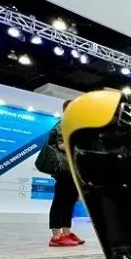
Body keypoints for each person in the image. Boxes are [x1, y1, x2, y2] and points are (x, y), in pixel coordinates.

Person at [45, 100, 84, 247]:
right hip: (63, 168)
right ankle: (56, 236)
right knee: (60, 200)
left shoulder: (73, 126)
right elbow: (61, 145)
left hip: (73, 168)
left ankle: (66, 233)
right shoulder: (63, 124)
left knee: (70, 201)